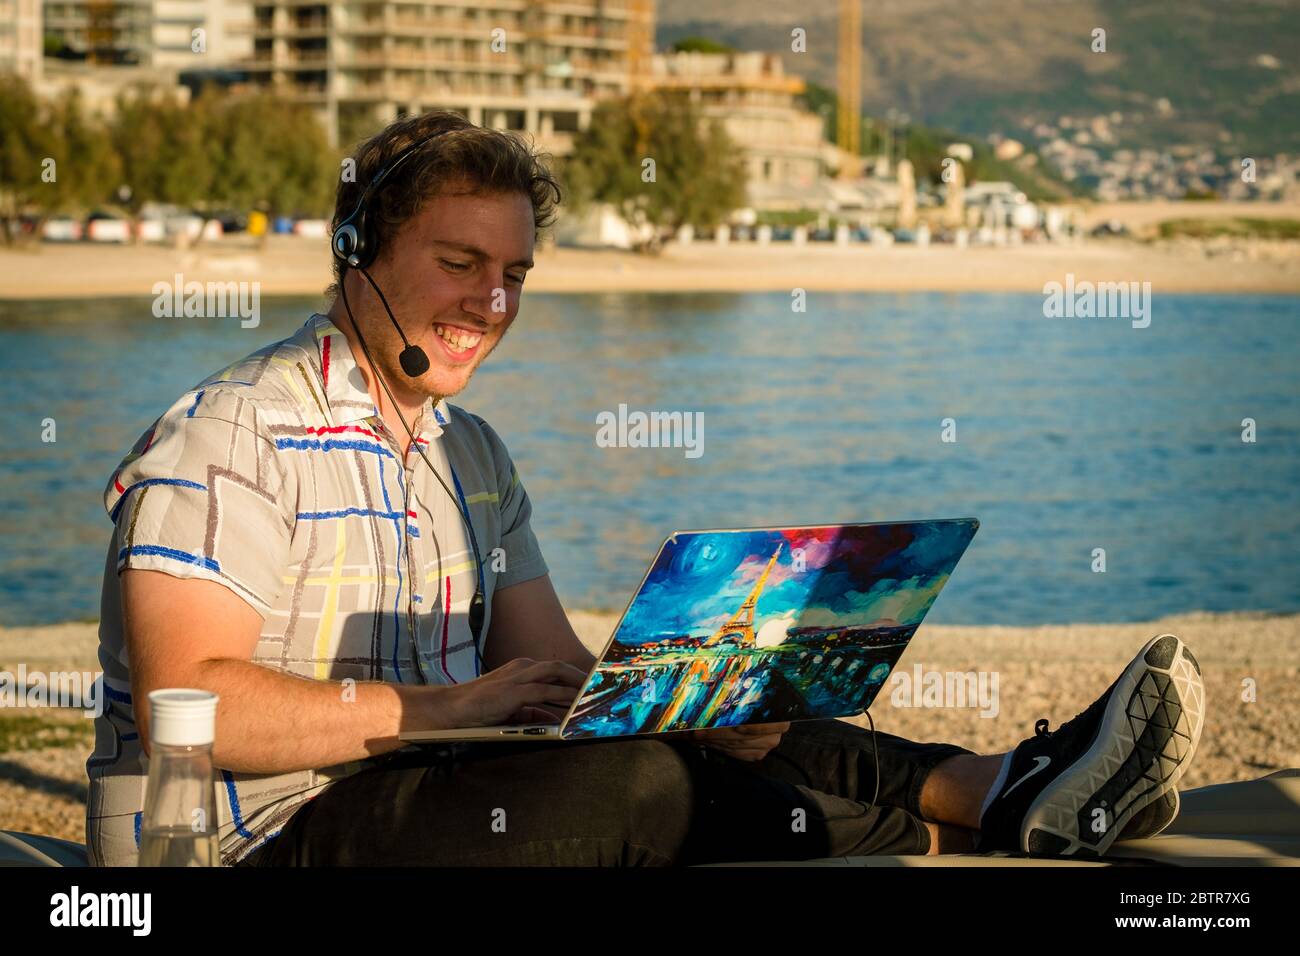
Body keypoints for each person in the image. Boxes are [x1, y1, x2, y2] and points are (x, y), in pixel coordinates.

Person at [86, 111, 1205, 867]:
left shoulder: (468, 451)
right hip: (255, 835)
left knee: (723, 719)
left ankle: (1004, 788)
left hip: (441, 786)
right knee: (633, 787)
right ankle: (934, 814)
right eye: (459, 262)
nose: (492, 303)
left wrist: (683, 702)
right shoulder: (231, 431)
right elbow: (196, 705)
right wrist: (447, 707)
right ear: (355, 251)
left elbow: (561, 668)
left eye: (514, 272)